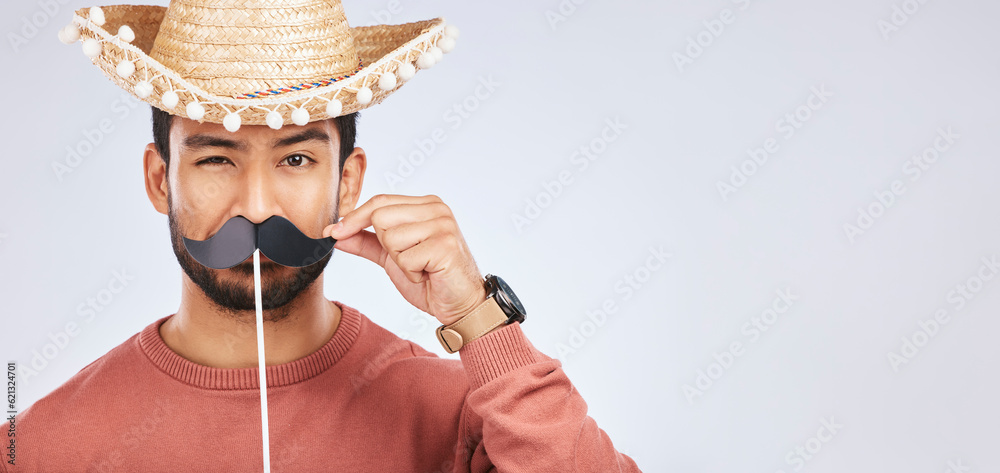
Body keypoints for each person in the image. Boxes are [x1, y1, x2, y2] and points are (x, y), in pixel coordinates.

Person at [6, 1, 642, 471]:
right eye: (216, 159)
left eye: (296, 159)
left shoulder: (463, 421)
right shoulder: (41, 445)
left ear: (347, 184)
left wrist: (478, 317)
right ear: (159, 181)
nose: (256, 207)